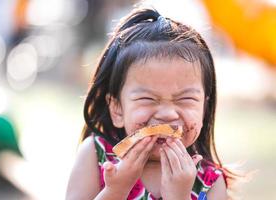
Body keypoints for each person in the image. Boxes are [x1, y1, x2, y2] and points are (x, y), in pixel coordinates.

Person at [66, 7, 229, 200]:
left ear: (204, 108)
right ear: (117, 109)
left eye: (185, 99)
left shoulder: (210, 183)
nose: (168, 114)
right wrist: (116, 191)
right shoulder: (96, 156)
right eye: (147, 99)